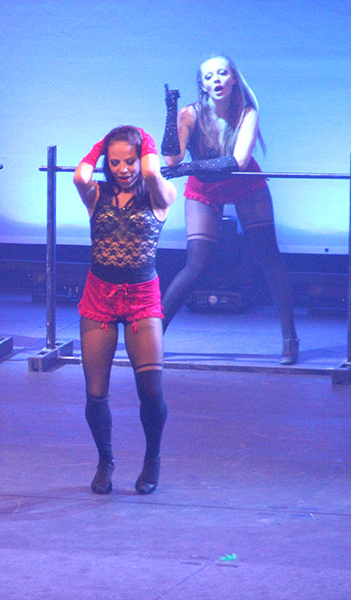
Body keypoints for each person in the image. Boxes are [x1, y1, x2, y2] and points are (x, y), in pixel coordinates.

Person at [159, 54, 298, 364]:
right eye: (209, 77)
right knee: (195, 265)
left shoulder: (247, 112)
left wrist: (190, 167)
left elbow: (238, 161)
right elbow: (171, 159)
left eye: (222, 73)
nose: (217, 80)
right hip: (204, 186)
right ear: (202, 85)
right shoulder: (190, 114)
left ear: (233, 78)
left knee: (269, 257)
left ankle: (290, 337)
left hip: (244, 182)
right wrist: (171, 114)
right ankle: (153, 335)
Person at [73, 126, 177, 495]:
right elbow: (79, 176)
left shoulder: (160, 194)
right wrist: (100, 145)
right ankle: (105, 460)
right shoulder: (96, 194)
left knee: (150, 390)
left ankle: (152, 459)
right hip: (99, 296)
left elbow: (150, 171)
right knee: (95, 392)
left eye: (129, 161)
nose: (123, 169)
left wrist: (146, 141)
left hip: (142, 299)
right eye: (114, 162)